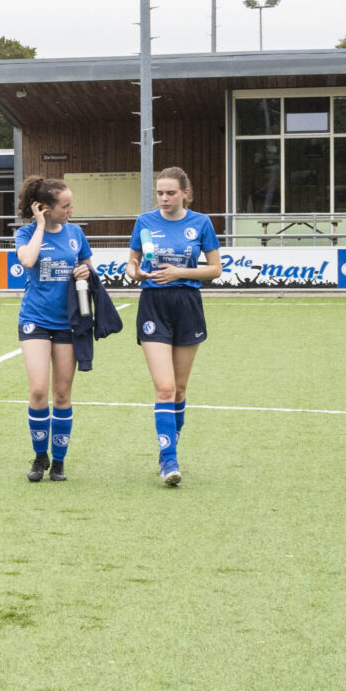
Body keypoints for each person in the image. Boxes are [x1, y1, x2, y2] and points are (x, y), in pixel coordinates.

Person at [131, 167, 218, 489]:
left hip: (187, 306)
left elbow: (215, 270)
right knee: (165, 388)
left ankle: (169, 450)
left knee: (180, 389)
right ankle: (169, 461)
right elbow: (131, 264)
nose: (164, 198)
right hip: (153, 305)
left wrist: (180, 272)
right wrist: (137, 272)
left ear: (185, 193)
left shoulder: (201, 223)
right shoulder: (145, 222)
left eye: (170, 193)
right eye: (160, 193)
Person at [13, 177, 92, 482]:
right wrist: (40, 226)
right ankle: (39, 456)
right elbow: (28, 260)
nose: (71, 210)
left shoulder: (76, 233)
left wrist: (85, 271)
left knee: (61, 394)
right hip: (35, 319)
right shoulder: (26, 233)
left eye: (71, 203)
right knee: (37, 390)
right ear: (45, 208)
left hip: (67, 323)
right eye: (66, 205)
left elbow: (87, 268)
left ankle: (58, 461)